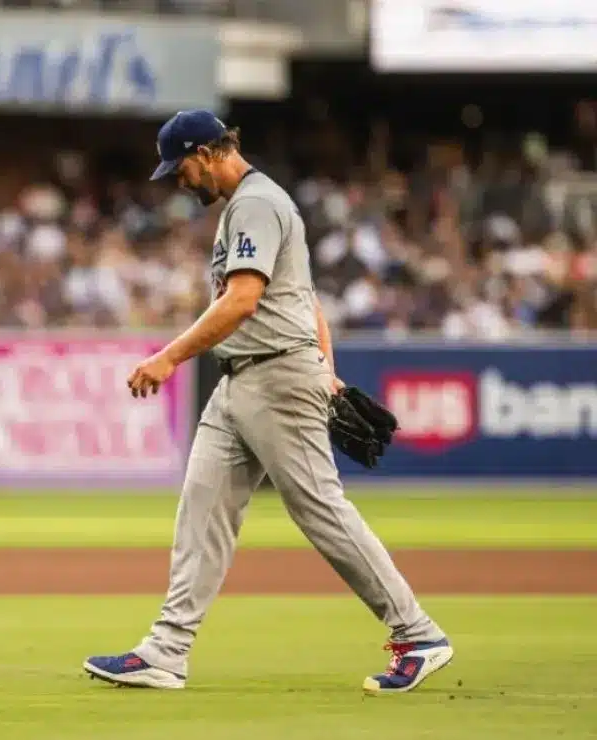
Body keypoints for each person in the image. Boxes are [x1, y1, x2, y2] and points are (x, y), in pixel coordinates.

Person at [82, 110, 453, 695]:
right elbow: (307, 301)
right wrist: (326, 370)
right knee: (202, 509)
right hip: (243, 381)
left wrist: (168, 357)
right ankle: (166, 651)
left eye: (180, 169)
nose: (178, 182)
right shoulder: (245, 207)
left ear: (206, 153)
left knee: (320, 510)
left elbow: (242, 301)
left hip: (276, 378)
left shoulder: (256, 202)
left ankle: (417, 632)